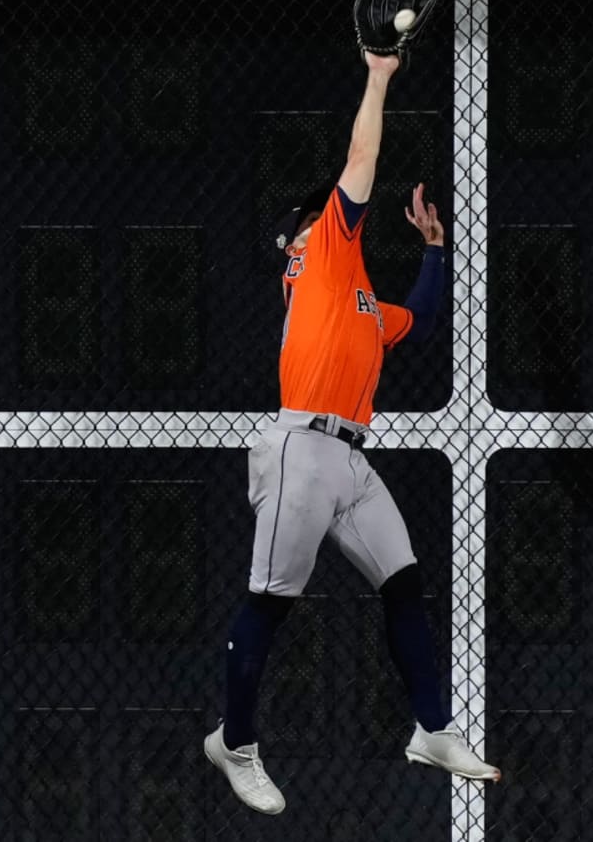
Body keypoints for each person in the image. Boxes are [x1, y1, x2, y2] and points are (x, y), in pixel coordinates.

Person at [204, 48, 500, 816]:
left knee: (404, 583)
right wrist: (379, 76)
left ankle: (431, 729)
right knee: (269, 602)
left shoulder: (362, 303)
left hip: (348, 460)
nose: (334, 211)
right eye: (320, 212)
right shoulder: (322, 255)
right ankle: (234, 744)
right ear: (302, 238)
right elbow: (362, 154)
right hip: (301, 448)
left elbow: (424, 319)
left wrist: (433, 248)